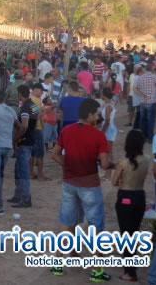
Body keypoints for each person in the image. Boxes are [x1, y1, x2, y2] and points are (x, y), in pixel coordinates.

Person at [50, 98, 113, 281]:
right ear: (90, 115)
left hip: (70, 182)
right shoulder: (98, 135)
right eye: (97, 113)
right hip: (90, 185)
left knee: (67, 223)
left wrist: (67, 166)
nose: (99, 116)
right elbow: (105, 163)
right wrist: (113, 164)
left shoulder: (67, 130)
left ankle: (57, 264)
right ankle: (97, 271)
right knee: (96, 227)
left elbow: (54, 154)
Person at [112, 129, 148, 282]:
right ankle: (131, 268)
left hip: (125, 197)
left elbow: (114, 182)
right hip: (139, 196)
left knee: (126, 235)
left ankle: (130, 272)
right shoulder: (146, 159)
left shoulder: (123, 162)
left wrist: (120, 179)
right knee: (134, 233)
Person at [8, 85, 35, 209]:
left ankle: (25, 198)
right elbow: (38, 118)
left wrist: (15, 139)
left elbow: (24, 126)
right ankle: (18, 195)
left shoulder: (24, 108)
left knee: (22, 171)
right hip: (30, 140)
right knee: (19, 169)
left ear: (20, 95)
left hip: (23, 142)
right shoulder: (33, 105)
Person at [134, 62, 156, 141]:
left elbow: (135, 88)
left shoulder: (141, 77)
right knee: (151, 120)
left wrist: (142, 95)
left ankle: (143, 137)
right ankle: (150, 138)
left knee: (143, 120)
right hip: (152, 101)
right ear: (151, 69)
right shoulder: (154, 77)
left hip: (143, 101)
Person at [29, 83, 48, 181]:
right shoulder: (34, 100)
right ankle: (40, 174)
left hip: (33, 128)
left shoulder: (33, 99)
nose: (41, 93)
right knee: (40, 152)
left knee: (32, 152)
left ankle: (31, 173)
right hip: (37, 128)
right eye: (41, 90)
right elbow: (38, 115)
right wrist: (43, 125)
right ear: (36, 89)